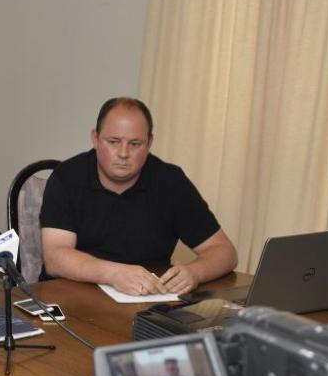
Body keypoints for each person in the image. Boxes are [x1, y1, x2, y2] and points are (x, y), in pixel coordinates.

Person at [39, 97, 237, 295]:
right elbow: (55, 257)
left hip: (146, 299)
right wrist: (113, 273)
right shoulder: (67, 177)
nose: (123, 153)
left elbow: (224, 251)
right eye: (113, 142)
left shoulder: (170, 182)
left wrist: (195, 272)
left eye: (135, 144)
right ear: (95, 138)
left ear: (149, 143)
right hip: (73, 297)